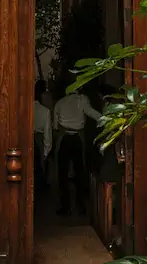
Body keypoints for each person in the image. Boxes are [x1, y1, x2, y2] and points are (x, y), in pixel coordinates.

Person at [53, 83, 100, 216]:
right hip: (77, 138)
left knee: (62, 173)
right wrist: (108, 120)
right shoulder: (82, 99)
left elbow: (55, 126)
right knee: (80, 171)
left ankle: (65, 207)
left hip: (63, 138)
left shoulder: (60, 103)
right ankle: (81, 206)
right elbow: (92, 113)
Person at [33, 80, 52, 192]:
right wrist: (46, 151)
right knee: (40, 166)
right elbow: (47, 132)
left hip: (27, 139)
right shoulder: (45, 111)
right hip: (39, 140)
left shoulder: (25, 109)